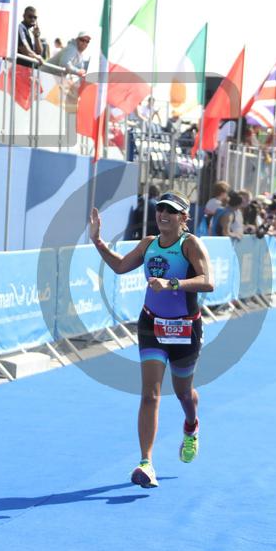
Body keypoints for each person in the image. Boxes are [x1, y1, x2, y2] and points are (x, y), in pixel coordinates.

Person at [89, 191, 214, 488]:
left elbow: (207, 281)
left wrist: (172, 284)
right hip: (152, 325)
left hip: (185, 328)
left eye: (170, 211)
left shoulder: (190, 244)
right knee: (150, 394)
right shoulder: (148, 244)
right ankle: (146, 463)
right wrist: (97, 241)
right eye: (160, 210)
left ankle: (191, 425)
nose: (163, 215)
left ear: (183, 217)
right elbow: (121, 266)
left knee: (183, 393)